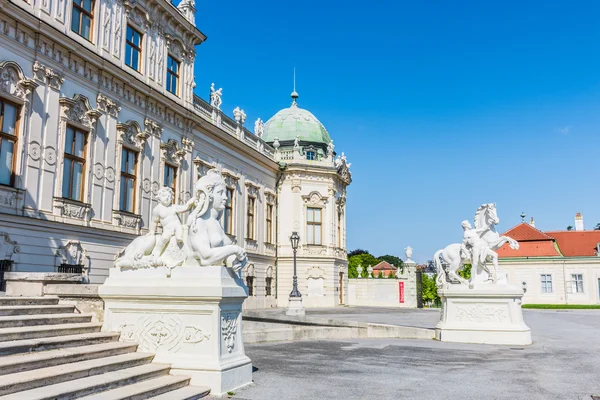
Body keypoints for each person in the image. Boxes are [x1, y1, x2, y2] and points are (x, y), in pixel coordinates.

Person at [150, 187, 196, 257]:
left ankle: (179, 239)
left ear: (172, 198)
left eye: (169, 196)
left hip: (177, 225)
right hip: (167, 228)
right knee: (164, 238)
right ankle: (157, 250)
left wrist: (191, 201)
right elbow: (154, 222)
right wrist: (152, 231)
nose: (167, 198)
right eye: (164, 196)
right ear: (159, 197)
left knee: (179, 229)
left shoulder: (173, 207)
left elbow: (185, 207)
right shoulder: (157, 209)